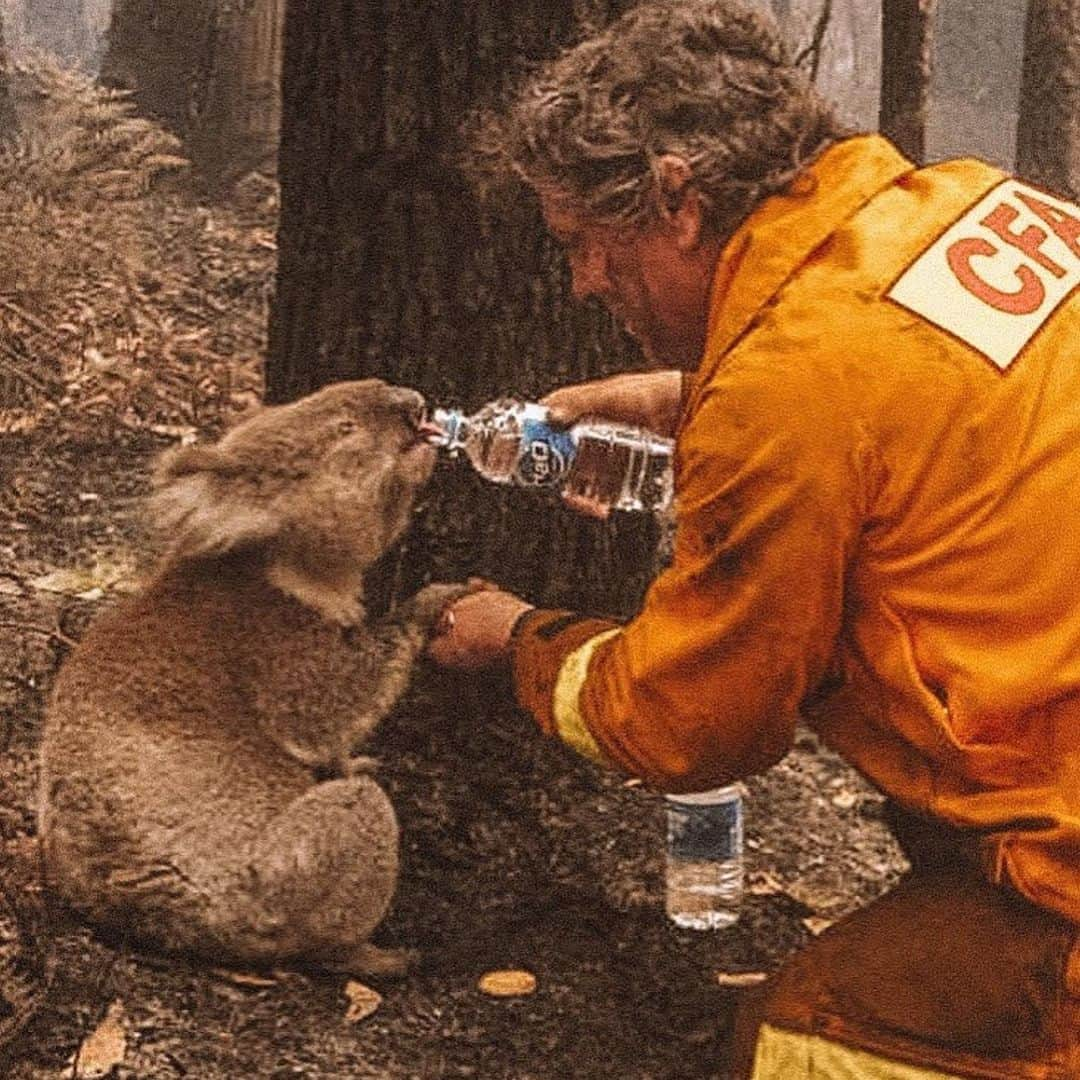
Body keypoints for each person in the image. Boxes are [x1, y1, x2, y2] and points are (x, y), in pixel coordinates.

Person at [428, 1, 1080, 1076]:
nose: (585, 284)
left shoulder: (790, 388)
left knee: (795, 1045)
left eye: (585, 244)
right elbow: (920, 417)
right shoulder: (965, 204)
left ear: (678, 201)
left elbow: (697, 722)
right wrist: (693, 401)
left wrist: (518, 641)